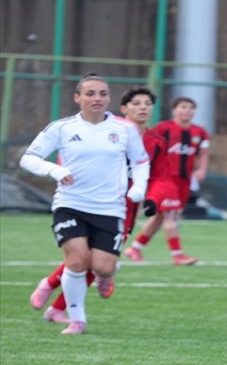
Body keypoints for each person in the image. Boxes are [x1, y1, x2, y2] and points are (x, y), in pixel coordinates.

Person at [20, 74, 149, 335]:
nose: (97, 98)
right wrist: (55, 170)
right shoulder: (62, 128)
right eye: (90, 93)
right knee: (77, 261)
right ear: (77, 98)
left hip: (110, 208)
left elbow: (141, 161)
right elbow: (29, 158)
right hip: (70, 204)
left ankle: (103, 275)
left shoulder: (125, 129)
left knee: (103, 267)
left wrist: (139, 187)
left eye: (102, 93)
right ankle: (77, 319)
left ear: (109, 98)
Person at [122, 97, 209, 265]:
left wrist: (201, 169)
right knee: (171, 216)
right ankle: (178, 255)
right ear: (174, 110)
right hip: (165, 179)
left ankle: (135, 249)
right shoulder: (163, 128)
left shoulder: (199, 132)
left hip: (184, 180)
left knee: (160, 218)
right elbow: (147, 145)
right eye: (183, 107)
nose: (187, 110)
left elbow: (203, 153)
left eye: (191, 107)